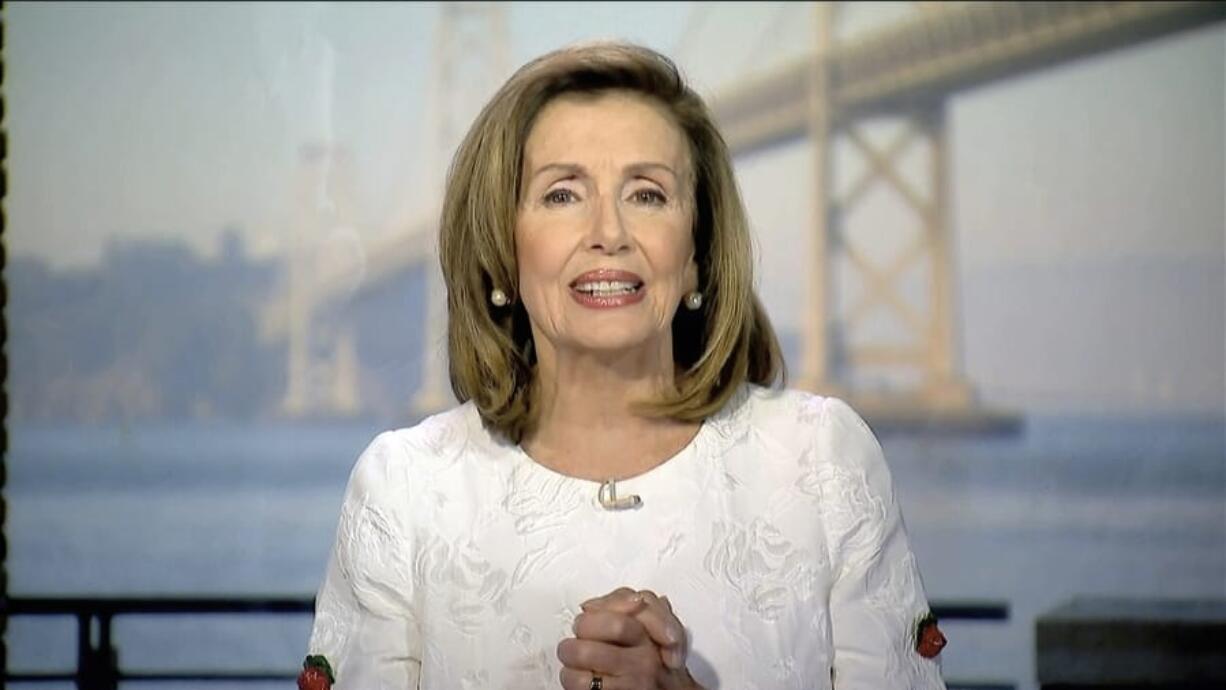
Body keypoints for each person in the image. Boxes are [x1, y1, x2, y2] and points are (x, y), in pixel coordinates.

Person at [302, 41, 946, 690]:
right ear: (502, 249)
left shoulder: (823, 461)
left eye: (646, 194)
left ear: (696, 253)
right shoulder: (404, 492)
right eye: (562, 195)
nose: (608, 232)